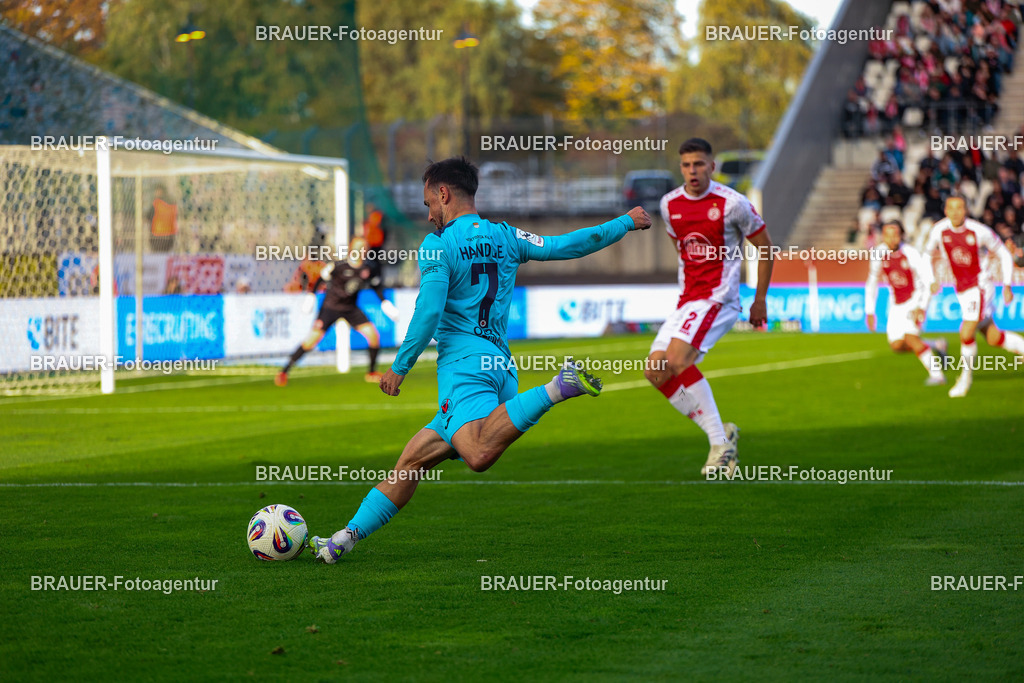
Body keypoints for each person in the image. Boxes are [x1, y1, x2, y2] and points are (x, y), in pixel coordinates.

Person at [308, 156, 652, 563]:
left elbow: (430, 310)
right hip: (500, 367)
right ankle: (342, 540)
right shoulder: (506, 235)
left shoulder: (439, 245)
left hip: (465, 366)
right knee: (412, 460)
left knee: (476, 453)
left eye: (428, 203)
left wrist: (400, 366)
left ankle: (559, 387)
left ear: (443, 193)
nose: (428, 213)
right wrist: (624, 222)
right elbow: (566, 246)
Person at [645, 138, 774, 479]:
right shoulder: (669, 204)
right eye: (687, 165)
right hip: (687, 300)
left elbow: (764, 247)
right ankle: (722, 433)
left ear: (712, 166)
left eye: (699, 164)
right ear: (681, 167)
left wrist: (759, 299)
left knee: (676, 361)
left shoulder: (733, 204)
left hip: (719, 298)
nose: (692, 171)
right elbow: (682, 249)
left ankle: (720, 445)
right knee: (656, 371)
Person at [922, 196, 1024, 397]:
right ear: (946, 211)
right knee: (993, 337)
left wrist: (1006, 284)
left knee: (966, 333)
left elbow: (1003, 253)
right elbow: (926, 255)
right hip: (961, 289)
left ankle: (964, 380)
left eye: (960, 208)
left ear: (965, 210)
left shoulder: (979, 231)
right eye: (952, 208)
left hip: (980, 286)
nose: (956, 212)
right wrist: (930, 279)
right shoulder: (939, 230)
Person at [275, 237, 398, 386]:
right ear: (352, 248)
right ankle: (284, 371)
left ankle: (371, 372)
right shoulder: (339, 265)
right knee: (311, 340)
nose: (362, 250)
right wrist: (311, 296)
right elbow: (321, 278)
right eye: (358, 246)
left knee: (373, 336)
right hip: (330, 308)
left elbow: (375, 287)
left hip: (350, 308)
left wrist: (385, 303)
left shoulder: (367, 268)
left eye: (364, 247)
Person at [865, 220, 947, 385]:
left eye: (895, 235)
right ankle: (936, 344)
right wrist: (869, 310)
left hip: (915, 300)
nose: (891, 239)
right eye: (887, 235)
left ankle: (937, 375)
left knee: (911, 338)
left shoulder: (910, 253)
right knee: (896, 345)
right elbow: (872, 281)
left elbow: (926, 281)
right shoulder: (878, 253)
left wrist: (922, 306)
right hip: (896, 304)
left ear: (901, 235)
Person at [147, 185, 178, 253]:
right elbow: (176, 216)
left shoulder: (157, 203)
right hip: (170, 235)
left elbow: (148, 216)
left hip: (157, 234)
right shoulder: (173, 202)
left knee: (158, 255)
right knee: (166, 255)